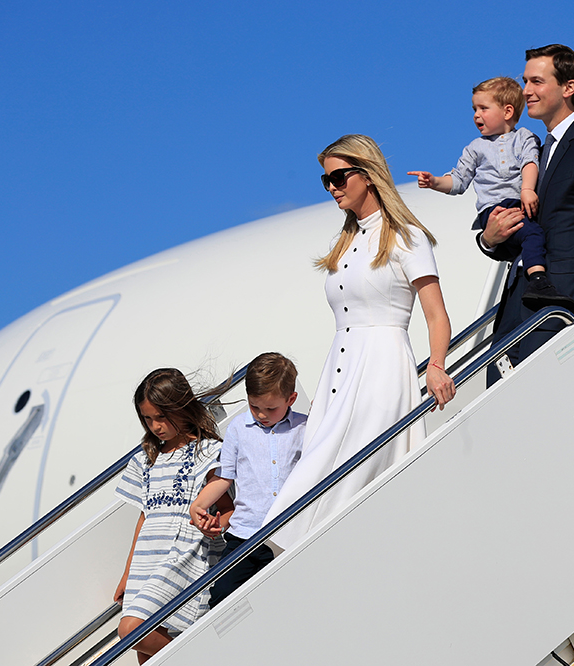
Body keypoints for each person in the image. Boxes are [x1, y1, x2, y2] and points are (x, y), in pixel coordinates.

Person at [261, 134, 456, 551]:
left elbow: (436, 314)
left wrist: (437, 364)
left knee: (347, 475)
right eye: (324, 180)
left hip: (382, 368)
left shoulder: (406, 237)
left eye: (338, 177)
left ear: (367, 175)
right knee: (316, 470)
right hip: (340, 371)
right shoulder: (344, 243)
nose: (331, 187)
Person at [479, 45, 574, 383]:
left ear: (568, 87)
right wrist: (489, 240)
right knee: (499, 403)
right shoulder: (532, 149)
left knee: (541, 398)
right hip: (518, 297)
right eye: (524, 81)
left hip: (563, 298)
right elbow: (530, 230)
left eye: (536, 81)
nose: (526, 91)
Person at [408, 76, 574, 312]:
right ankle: (537, 280)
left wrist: (527, 190)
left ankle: (532, 276)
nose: (476, 115)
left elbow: (530, 162)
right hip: (494, 210)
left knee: (535, 232)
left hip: (520, 203)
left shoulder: (524, 137)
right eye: (474, 109)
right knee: (533, 233)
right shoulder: (475, 147)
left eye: (484, 108)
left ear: (507, 112)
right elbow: (458, 181)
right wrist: (434, 181)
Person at [113, 368, 233, 664]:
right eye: (148, 419)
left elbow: (228, 507)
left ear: (181, 407)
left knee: (131, 630)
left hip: (184, 554)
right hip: (147, 558)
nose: (155, 426)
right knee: (146, 655)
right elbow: (144, 518)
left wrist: (215, 527)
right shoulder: (144, 460)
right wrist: (128, 573)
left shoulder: (207, 452)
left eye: (161, 416)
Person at [188, 352, 307, 607]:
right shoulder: (238, 428)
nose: (261, 414)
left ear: (291, 399)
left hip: (292, 532)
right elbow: (224, 477)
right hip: (246, 535)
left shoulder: (305, 428)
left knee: (289, 598)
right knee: (222, 597)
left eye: (271, 408)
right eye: (254, 406)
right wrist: (197, 506)